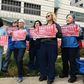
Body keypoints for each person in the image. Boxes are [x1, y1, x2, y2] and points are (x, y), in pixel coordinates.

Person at [38, 12, 62, 84]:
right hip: (43, 44)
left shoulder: (56, 25)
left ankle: (51, 77)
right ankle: (44, 75)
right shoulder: (43, 26)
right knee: (42, 60)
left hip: (52, 45)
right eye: (46, 16)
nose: (47, 17)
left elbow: (60, 35)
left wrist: (57, 33)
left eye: (48, 15)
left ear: (52, 16)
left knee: (51, 61)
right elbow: (40, 35)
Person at [59, 14, 81, 83]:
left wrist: (79, 32)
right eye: (67, 18)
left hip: (73, 46)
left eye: (69, 17)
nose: (68, 19)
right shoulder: (63, 27)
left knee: (72, 62)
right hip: (64, 46)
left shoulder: (77, 26)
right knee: (64, 60)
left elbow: (81, 36)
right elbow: (60, 35)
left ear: (73, 19)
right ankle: (65, 73)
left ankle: (73, 76)